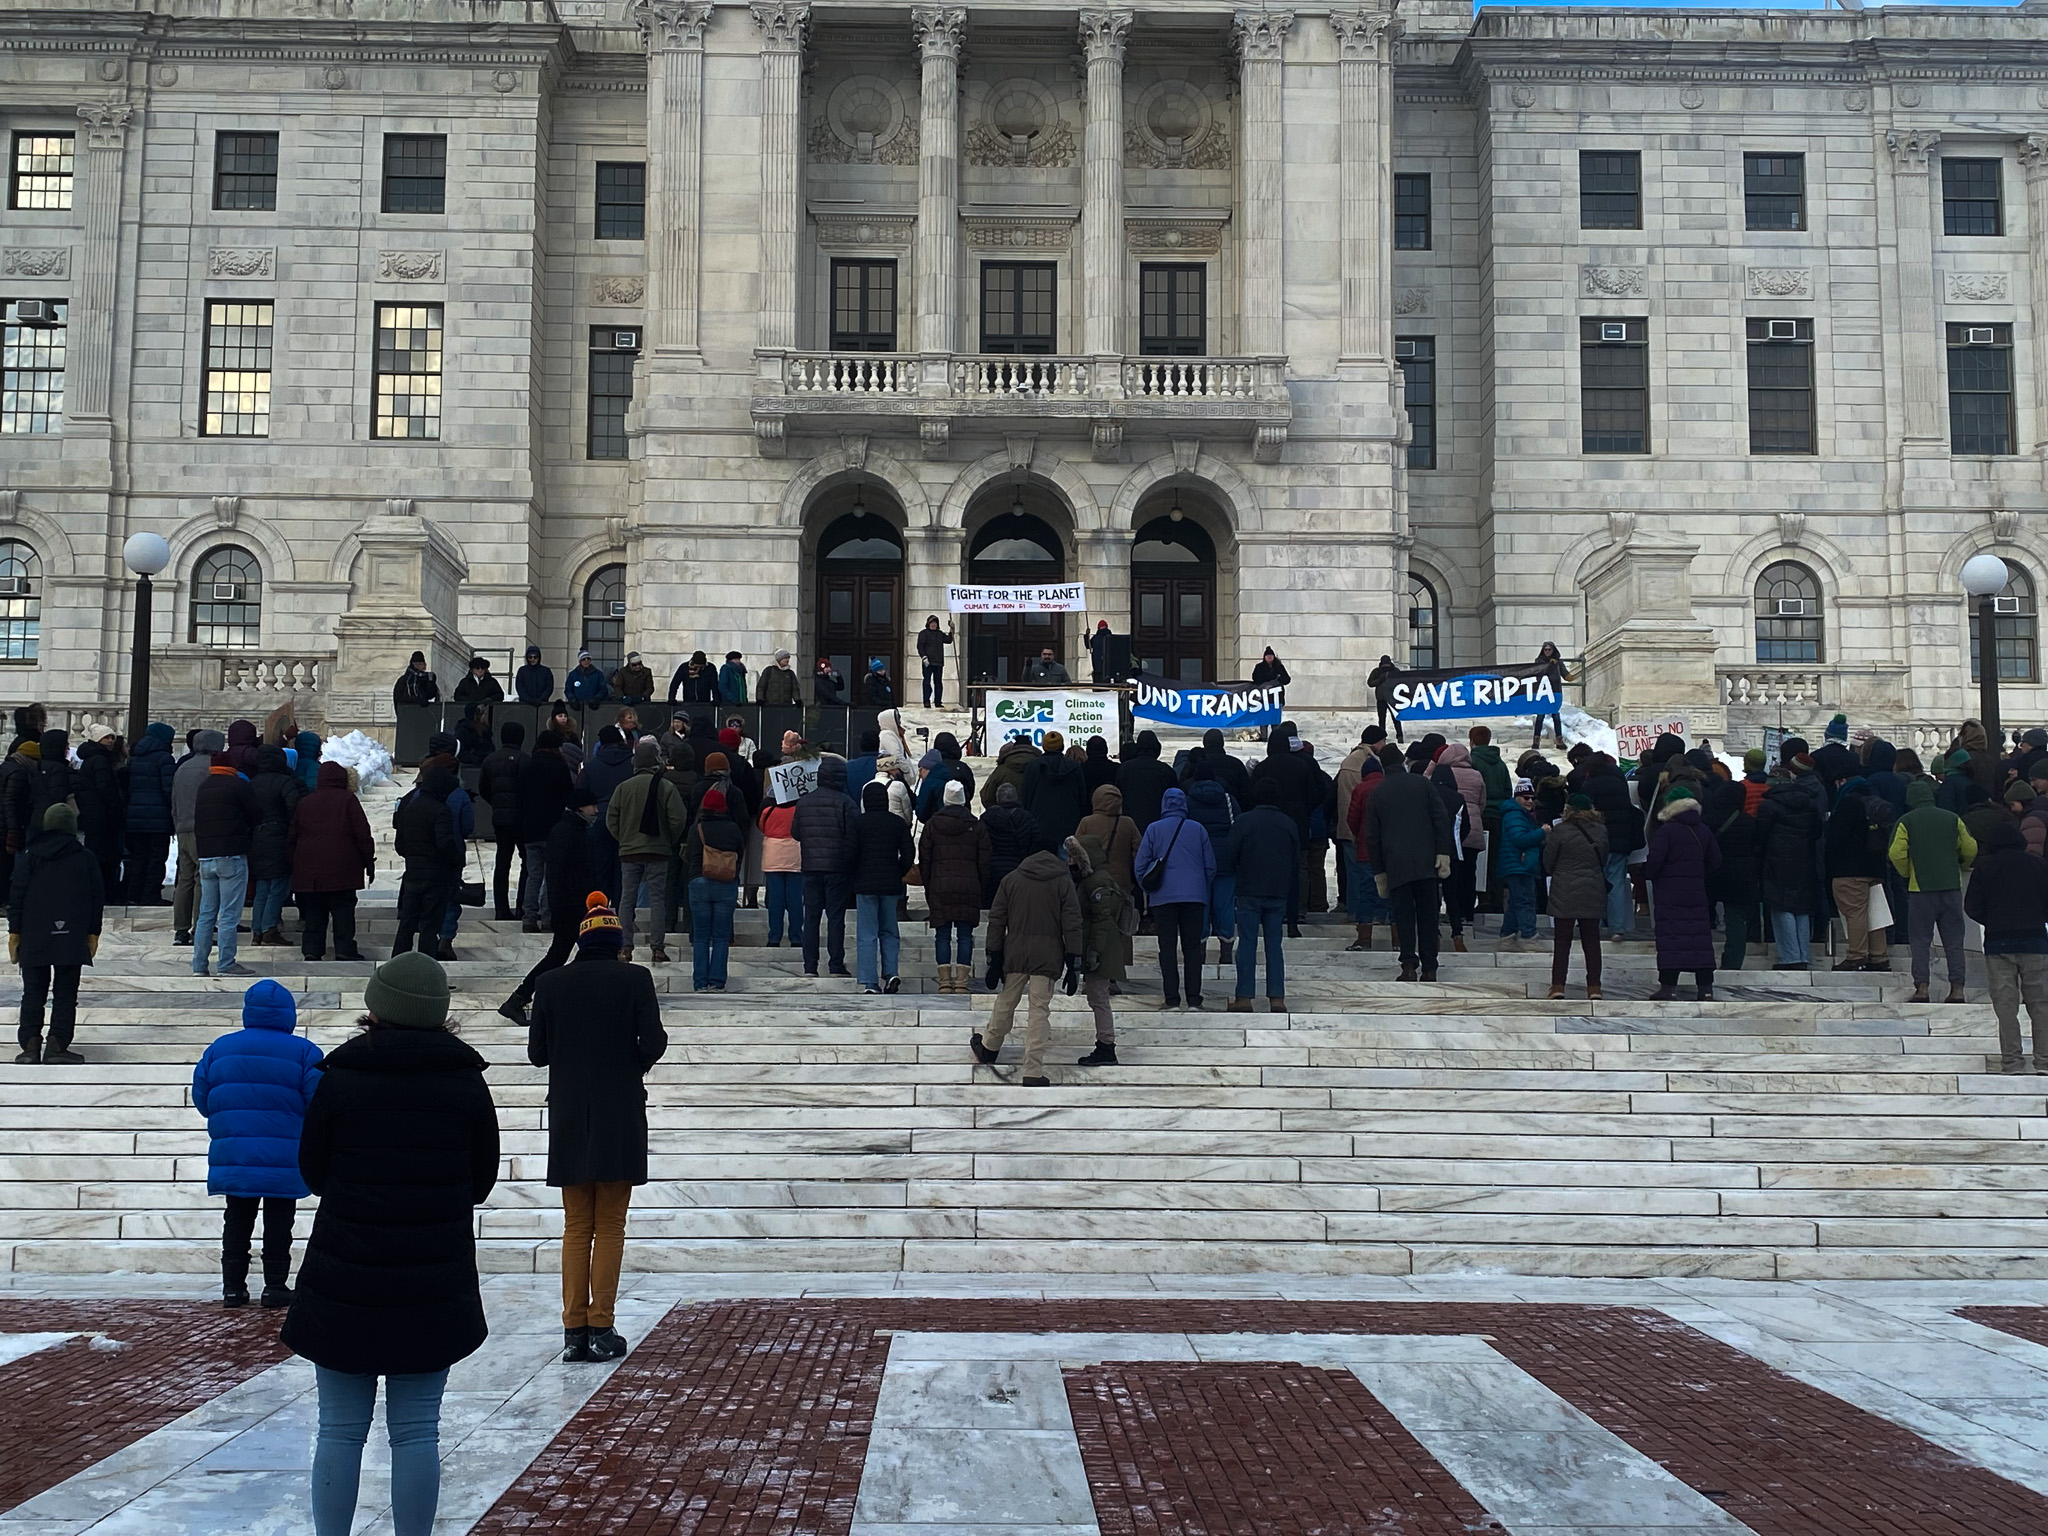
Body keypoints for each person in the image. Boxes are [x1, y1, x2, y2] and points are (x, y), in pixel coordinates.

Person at [281, 952, 498, 1536]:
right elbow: (481, 1180)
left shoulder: (341, 1079)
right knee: (417, 1430)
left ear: (376, 1008)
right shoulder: (464, 1083)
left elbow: (312, 1172)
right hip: (431, 1278)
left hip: (345, 1276)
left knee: (339, 1429)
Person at [528, 892, 668, 1357]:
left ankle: (573, 1329)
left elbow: (537, 1054)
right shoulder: (635, 979)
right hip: (619, 1111)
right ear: (616, 941)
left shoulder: (550, 983)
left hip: (569, 1111)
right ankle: (602, 1327)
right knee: (610, 1225)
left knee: (575, 1227)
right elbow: (654, 1040)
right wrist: (632, 1065)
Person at [192, 979, 323, 1306]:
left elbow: (203, 1097)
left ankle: (233, 1288)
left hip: (235, 1150)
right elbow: (318, 1101)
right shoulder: (305, 1052)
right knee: (280, 1221)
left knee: (236, 1217)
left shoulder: (219, 1048)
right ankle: (275, 1286)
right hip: (284, 1152)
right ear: (287, 1014)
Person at [971, 839, 1083, 1087]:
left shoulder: (1012, 880)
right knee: (1039, 1011)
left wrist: (994, 955)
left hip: (1016, 953)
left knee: (1006, 1000)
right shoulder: (1063, 882)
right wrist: (1074, 960)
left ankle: (989, 1046)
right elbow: (1072, 923)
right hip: (1048, 956)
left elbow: (997, 919)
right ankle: (1032, 1070)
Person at [10, 803, 102, 1064]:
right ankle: (57, 1045)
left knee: (33, 992)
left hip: (34, 934)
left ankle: (29, 1046)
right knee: (65, 993)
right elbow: (97, 898)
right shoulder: (85, 857)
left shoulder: (31, 856)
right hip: (71, 934)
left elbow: (17, 895)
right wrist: (93, 933)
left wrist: (15, 932)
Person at [500, 786, 597, 1023]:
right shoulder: (569, 832)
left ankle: (523, 997)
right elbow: (566, 874)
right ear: (579, 807)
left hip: (570, 905)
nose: (596, 810)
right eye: (591, 805)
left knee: (569, 954)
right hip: (572, 906)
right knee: (569, 955)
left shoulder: (570, 829)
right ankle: (521, 997)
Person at [1965, 819, 2048, 1072]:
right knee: (2041, 1004)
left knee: (2006, 1005)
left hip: (1998, 943)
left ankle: (2012, 1060)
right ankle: (2044, 1060)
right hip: (2035, 941)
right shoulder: (2039, 865)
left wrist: (1992, 920)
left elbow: (1972, 906)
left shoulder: (1985, 867)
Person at [1366, 748, 1454, 983]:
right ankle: (1430, 967)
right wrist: (1442, 852)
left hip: (1396, 865)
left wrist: (1379, 871)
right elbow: (1441, 819)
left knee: (1403, 916)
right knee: (1428, 915)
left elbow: (1372, 836)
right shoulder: (1423, 784)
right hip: (1426, 862)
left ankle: (1408, 965)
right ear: (1402, 762)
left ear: (1383, 766)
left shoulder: (1378, 793)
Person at [1889, 779, 1977, 1004]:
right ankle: (1957, 989)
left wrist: (1907, 873)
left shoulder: (1906, 821)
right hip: (1951, 888)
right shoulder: (1952, 819)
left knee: (1920, 940)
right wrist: (1960, 863)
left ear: (1911, 799)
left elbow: (1896, 852)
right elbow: (1970, 847)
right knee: (1954, 941)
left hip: (1921, 890)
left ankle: (1922, 988)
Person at [1219, 781, 1300, 1012]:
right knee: (1275, 945)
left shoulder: (1245, 821)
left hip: (1249, 889)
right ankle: (1277, 998)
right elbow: (1296, 858)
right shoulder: (1288, 823)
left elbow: (1230, 853)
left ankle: (1244, 997)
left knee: (1247, 943)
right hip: (1277, 892)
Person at [1136, 786, 1217, 1010]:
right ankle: (1194, 999)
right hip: (1194, 897)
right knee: (1192, 948)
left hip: (1163, 898)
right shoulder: (1197, 829)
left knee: (1167, 947)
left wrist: (1150, 889)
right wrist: (1200, 886)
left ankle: (1172, 999)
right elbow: (1210, 866)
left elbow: (1140, 865)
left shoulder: (1153, 829)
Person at [287, 761, 375, 962]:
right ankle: (344, 949)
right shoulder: (348, 800)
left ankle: (311, 949)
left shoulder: (305, 802)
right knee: (343, 912)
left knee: (314, 913)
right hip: (342, 869)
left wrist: (293, 863)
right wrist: (368, 861)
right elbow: (362, 833)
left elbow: (293, 835)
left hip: (309, 871)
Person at [609, 737, 687, 963]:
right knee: (657, 899)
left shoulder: (623, 788)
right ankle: (657, 948)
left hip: (629, 851)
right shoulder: (665, 786)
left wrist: (623, 838)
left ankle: (624, 946)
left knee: (626, 899)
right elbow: (678, 818)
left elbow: (611, 819)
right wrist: (667, 839)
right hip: (658, 851)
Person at [1645, 785, 1722, 1001]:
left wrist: (1656, 875)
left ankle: (1668, 987)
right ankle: (1705, 988)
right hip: (1696, 893)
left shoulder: (1667, 831)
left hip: (1669, 894)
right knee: (1699, 939)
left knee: (1671, 938)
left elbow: (1654, 863)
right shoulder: (1704, 830)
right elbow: (1716, 860)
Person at [193, 748, 258, 979]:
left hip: (206, 856)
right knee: (229, 914)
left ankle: (199, 965)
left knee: (206, 914)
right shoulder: (238, 785)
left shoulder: (203, 787)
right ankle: (226, 962)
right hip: (231, 855)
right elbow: (255, 815)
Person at [919, 778, 989, 993]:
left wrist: (929, 886)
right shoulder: (976, 825)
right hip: (969, 886)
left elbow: (925, 859)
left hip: (940, 885)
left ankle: (944, 982)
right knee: (965, 935)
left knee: (942, 934)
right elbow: (984, 861)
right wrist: (980, 885)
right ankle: (961, 982)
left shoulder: (932, 825)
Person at [1754, 765, 1824, 971]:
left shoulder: (1768, 806)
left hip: (1777, 860)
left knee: (1781, 906)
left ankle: (1790, 956)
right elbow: (1816, 832)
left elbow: (1760, 835)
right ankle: (1803, 954)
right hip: (1805, 860)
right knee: (1802, 909)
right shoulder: (1810, 803)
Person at [1824, 768, 1894, 973]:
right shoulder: (1872, 803)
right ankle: (1879, 956)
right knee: (1876, 914)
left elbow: (1836, 839)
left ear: (1843, 781)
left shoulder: (1848, 804)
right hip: (1875, 867)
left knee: (1854, 913)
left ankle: (1856, 955)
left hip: (1849, 869)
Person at [849, 779, 914, 993]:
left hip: (865, 883)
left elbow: (850, 852)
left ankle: (870, 981)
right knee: (889, 931)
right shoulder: (897, 823)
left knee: (867, 933)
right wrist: (900, 871)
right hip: (890, 882)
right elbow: (908, 853)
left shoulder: (858, 823)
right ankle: (891, 972)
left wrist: (854, 874)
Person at [1069, 833, 1129, 1062]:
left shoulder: (1097, 881)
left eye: (1073, 856)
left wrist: (1094, 951)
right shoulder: (1091, 879)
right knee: (1097, 997)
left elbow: (1103, 920)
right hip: (1098, 947)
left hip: (1101, 950)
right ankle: (1105, 1044)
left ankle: (1106, 1045)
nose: (1069, 861)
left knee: (1099, 997)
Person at [1543, 792, 1608, 998]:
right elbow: (1603, 859)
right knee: (1591, 939)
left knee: (1562, 939)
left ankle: (1558, 986)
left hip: (1564, 889)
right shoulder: (1601, 831)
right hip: (1593, 888)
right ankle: (1594, 987)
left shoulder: (1560, 830)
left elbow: (1548, 863)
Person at [391, 765, 460, 958]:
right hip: (435, 876)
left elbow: (400, 845)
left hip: (412, 874)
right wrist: (455, 860)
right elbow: (444, 843)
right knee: (430, 927)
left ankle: (396, 967)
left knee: (407, 924)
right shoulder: (440, 810)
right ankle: (426, 971)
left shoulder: (410, 808)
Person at [685, 786, 746, 990]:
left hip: (699, 881)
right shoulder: (733, 828)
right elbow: (740, 852)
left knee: (701, 936)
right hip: (726, 883)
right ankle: (717, 982)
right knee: (721, 936)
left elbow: (689, 855)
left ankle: (700, 982)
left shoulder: (697, 828)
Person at [513, 730, 575, 931]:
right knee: (551, 876)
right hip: (553, 830)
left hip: (530, 830)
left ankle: (528, 917)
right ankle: (548, 918)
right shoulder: (560, 767)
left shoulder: (527, 766)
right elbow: (569, 798)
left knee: (534, 875)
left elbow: (519, 799)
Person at [1430, 740, 1487, 953]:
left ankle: (1433, 932)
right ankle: (1457, 933)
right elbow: (1467, 824)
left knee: (1432, 894)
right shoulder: (1459, 796)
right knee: (1454, 892)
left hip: (1431, 851)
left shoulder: (1429, 795)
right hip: (1454, 851)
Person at [1183, 755, 1241, 963]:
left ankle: (1200, 952)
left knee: (1201, 905)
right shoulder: (1227, 800)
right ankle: (1226, 952)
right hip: (1225, 859)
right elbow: (1237, 827)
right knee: (1225, 905)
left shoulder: (1187, 800)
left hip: (1197, 861)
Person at [169, 728, 224, 945]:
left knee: (185, 879)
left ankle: (180, 929)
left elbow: (174, 801)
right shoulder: (212, 768)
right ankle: (201, 929)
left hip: (183, 826)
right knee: (204, 880)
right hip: (205, 829)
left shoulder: (183, 767)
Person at [247, 744, 303, 947]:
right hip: (279, 836)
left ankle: (257, 930)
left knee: (262, 887)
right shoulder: (284, 781)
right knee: (278, 886)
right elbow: (294, 807)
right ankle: (269, 928)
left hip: (257, 837)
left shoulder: (252, 783)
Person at [1703, 776, 1759, 973]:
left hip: (1711, 874)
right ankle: (1732, 963)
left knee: (1701, 918)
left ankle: (1702, 958)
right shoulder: (1749, 822)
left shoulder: (1707, 820)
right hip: (1741, 877)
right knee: (1736, 921)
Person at [476, 720, 528, 920]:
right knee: (527, 861)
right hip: (521, 818)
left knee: (502, 862)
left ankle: (501, 908)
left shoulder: (490, 760)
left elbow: (483, 788)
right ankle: (522, 905)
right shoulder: (525, 760)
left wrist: (497, 803)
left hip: (499, 818)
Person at [124, 721, 177, 904]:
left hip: (135, 818)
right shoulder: (164, 758)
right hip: (158, 819)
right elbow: (168, 789)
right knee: (156, 858)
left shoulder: (135, 757)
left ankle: (133, 895)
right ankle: (150, 895)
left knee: (138, 857)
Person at [72, 721, 125, 898]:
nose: (110, 741)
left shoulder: (90, 759)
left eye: (112, 737)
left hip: (93, 815)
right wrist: (115, 811)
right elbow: (106, 789)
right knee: (105, 857)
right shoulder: (100, 760)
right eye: (106, 738)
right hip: (102, 817)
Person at [1495, 777, 1547, 948]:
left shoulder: (1521, 815)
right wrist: (1542, 832)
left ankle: (1507, 936)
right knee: (1525, 900)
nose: (1530, 801)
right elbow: (1519, 839)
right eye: (1526, 798)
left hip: (1521, 865)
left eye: (1532, 798)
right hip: (1517, 864)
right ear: (1517, 798)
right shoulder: (1515, 815)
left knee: (1517, 901)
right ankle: (1528, 936)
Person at [1020, 731, 1089, 849]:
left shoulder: (1032, 767)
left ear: (1043, 747)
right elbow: (1082, 797)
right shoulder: (1074, 767)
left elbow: (1025, 796)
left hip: (1039, 824)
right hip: (1069, 824)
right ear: (1062, 747)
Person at [1076, 782, 1140, 896]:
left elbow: (1076, 850)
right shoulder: (1128, 823)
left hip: (1093, 881)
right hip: (1122, 880)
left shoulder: (1086, 822)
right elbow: (1139, 851)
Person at [759, 790, 804, 948]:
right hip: (795, 855)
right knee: (795, 899)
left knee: (775, 900)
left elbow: (761, 826)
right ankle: (796, 936)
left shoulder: (768, 810)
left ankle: (774, 937)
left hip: (773, 856)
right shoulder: (799, 810)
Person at [1531, 641, 1569, 749]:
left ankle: (1559, 740)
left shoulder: (1558, 662)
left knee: (1556, 715)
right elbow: (1534, 674)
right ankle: (1536, 740)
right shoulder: (1539, 662)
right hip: (1543, 692)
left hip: (1555, 691)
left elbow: (1565, 674)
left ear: (1553, 650)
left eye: (1549, 649)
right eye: (1545, 649)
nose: (1547, 651)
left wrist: (1572, 676)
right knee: (1540, 715)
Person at [916, 616, 955, 707]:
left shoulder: (940, 634)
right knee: (927, 681)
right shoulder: (923, 633)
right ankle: (926, 701)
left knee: (938, 682)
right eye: (932, 623)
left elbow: (949, 640)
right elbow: (920, 646)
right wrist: (923, 657)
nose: (933, 625)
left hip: (938, 662)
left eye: (935, 623)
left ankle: (938, 701)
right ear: (928, 624)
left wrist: (952, 629)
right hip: (928, 662)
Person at [1366, 654, 1405, 744]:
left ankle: (1399, 735)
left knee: (1396, 718)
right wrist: (1380, 679)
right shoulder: (1377, 671)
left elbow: (1401, 682)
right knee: (1382, 719)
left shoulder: (1395, 671)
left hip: (1393, 698)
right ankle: (1381, 737)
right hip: (1382, 698)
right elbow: (1370, 683)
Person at [1250, 647, 1290, 714]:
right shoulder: (1259, 667)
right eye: (1267, 656)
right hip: (1263, 698)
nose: (1269, 657)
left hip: (1276, 698)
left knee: (1275, 720)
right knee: (1264, 719)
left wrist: (1279, 679)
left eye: (1271, 656)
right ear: (1264, 657)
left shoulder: (1279, 667)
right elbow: (1255, 678)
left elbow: (1287, 679)